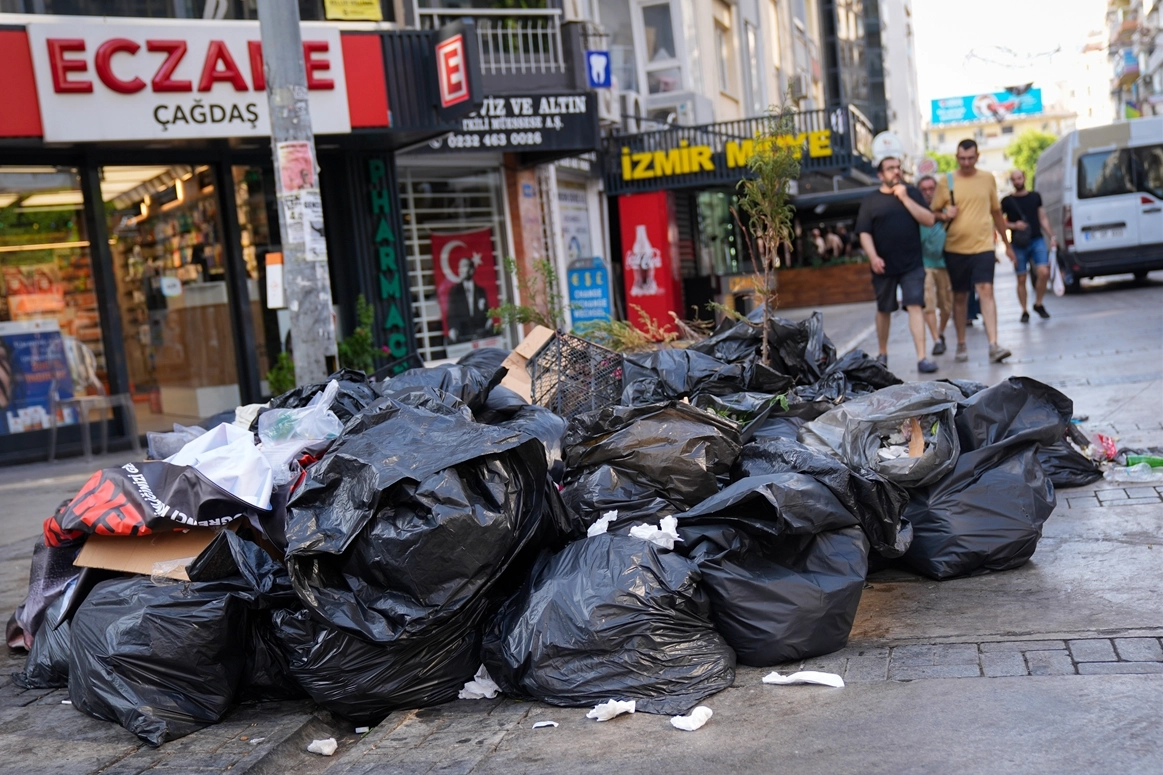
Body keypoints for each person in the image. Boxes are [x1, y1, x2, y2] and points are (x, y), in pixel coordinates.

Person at [929, 139, 1014, 363]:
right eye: (962, 158)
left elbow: (997, 213)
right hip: (955, 248)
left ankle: (994, 344)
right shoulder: (945, 182)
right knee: (960, 296)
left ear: (977, 156)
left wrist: (1007, 245)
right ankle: (960, 343)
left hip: (983, 246)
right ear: (957, 158)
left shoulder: (987, 179)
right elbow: (933, 214)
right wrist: (946, 213)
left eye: (970, 158)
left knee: (986, 290)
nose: (966, 162)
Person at [855, 156, 939, 373]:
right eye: (890, 169)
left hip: (912, 263)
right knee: (884, 309)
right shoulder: (870, 201)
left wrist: (905, 199)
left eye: (898, 168)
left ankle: (922, 357)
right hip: (883, 265)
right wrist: (873, 257)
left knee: (915, 306)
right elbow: (864, 232)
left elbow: (929, 220)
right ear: (880, 175)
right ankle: (882, 353)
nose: (896, 171)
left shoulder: (911, 193)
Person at [1001, 169, 1055, 322]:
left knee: (1043, 272)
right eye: (1014, 179)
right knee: (1021, 278)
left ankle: (1038, 303)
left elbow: (1042, 217)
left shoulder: (1035, 197)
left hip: (1036, 239)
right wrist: (1014, 225)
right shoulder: (1007, 201)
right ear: (1011, 181)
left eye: (1019, 178)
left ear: (1024, 178)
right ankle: (1024, 310)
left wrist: (1051, 236)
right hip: (1018, 243)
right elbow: (1000, 223)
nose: (1017, 181)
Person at [917, 175, 952, 355]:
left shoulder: (947, 210)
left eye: (931, 188)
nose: (928, 193)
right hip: (924, 264)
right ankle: (936, 339)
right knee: (928, 302)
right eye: (924, 189)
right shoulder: (916, 211)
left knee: (947, 306)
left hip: (945, 263)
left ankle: (941, 332)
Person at [445, 257, 492, 344]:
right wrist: (453, 329)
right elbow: (451, 314)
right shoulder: (454, 291)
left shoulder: (480, 291)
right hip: (463, 335)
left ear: (471, 270)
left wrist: (489, 321)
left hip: (480, 335)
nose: (461, 270)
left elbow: (487, 312)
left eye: (464, 266)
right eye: (460, 267)